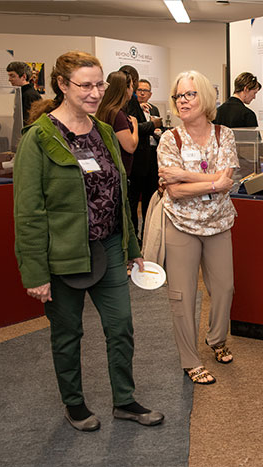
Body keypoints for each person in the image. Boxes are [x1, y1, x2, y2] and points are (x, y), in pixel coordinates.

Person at [13, 51, 163, 432]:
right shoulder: (39, 138)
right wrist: (35, 272)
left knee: (121, 326)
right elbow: (28, 213)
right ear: (62, 85)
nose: (96, 93)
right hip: (63, 253)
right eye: (86, 85)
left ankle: (125, 400)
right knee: (68, 333)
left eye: (99, 84)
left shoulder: (104, 131)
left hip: (110, 246)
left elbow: (119, 193)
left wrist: (131, 249)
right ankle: (74, 403)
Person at [157, 70, 238, 385]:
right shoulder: (169, 138)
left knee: (224, 288)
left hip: (219, 223)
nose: (183, 101)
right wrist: (213, 181)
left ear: (204, 96)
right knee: (182, 295)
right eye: (178, 96)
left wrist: (186, 176)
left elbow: (227, 180)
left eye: (189, 94)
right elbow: (173, 191)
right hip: (181, 225)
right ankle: (190, 360)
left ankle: (216, 340)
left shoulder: (224, 134)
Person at [119, 65, 163, 239]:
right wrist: (153, 125)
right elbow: (132, 130)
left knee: (148, 201)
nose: (140, 93)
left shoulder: (151, 108)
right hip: (135, 162)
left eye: (145, 90)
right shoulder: (127, 106)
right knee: (131, 203)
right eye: (137, 89)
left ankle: (146, 236)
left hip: (149, 161)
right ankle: (135, 239)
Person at [95, 71, 138, 174]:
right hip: (118, 170)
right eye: (131, 86)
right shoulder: (117, 114)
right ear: (125, 89)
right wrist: (135, 125)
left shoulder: (105, 109)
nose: (132, 89)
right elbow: (130, 147)